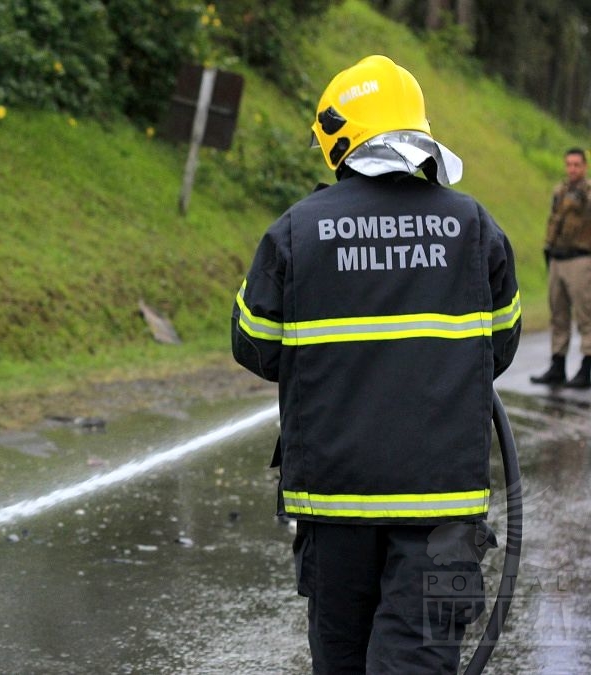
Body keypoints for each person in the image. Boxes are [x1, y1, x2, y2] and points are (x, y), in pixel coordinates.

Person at [231, 55, 522, 673]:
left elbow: (254, 343)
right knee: (422, 659)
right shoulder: (474, 227)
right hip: (445, 516)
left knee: (341, 660)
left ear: (339, 137)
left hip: (334, 508)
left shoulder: (296, 231)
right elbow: (497, 347)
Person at [529, 148, 591, 388]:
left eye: (576, 165)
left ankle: (587, 366)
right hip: (558, 258)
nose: (572, 169)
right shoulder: (560, 191)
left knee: (585, 315)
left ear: (584, 166)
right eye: (569, 164)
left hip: (581, 260)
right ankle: (558, 364)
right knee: (558, 314)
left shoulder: (587, 193)